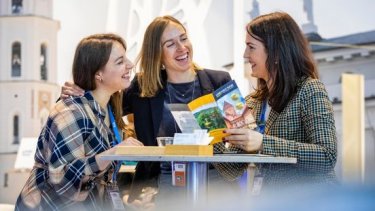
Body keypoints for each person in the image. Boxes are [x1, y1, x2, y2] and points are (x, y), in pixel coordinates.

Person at [61, 15, 244, 207]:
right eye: (170, 44)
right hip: (159, 190)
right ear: (157, 53)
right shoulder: (141, 88)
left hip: (217, 186)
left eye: (183, 38)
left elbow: (244, 134)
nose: (182, 48)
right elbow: (99, 106)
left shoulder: (220, 81)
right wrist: (78, 91)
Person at [15, 33, 143, 210]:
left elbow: (100, 181)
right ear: (98, 74)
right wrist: (110, 155)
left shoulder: (110, 108)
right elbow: (63, 183)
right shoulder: (72, 111)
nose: (131, 64)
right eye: (120, 61)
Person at [222, 12, 337, 190]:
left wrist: (263, 143)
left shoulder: (310, 90)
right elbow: (231, 169)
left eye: (251, 47)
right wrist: (210, 137)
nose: (245, 54)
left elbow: (326, 156)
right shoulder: (252, 103)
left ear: (275, 52)